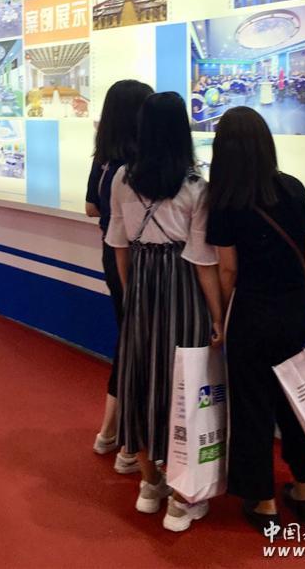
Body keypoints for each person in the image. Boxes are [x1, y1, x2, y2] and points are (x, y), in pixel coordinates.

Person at [106, 92, 222, 533]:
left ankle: (149, 483)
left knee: (139, 378)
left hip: (141, 285)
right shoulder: (195, 186)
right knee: (185, 384)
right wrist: (217, 315)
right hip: (183, 288)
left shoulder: (123, 177)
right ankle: (181, 498)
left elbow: (118, 244)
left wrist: (131, 292)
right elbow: (203, 260)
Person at [206, 106, 305, 532]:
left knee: (252, 407)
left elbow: (227, 270)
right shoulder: (292, 187)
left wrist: (222, 317)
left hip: (252, 312)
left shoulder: (225, 200)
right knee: (297, 402)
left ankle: (264, 502)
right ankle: (302, 489)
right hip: (294, 310)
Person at [85, 79, 153, 475]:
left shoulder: (105, 159)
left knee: (129, 340)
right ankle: (125, 439)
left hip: (113, 256)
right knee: (138, 345)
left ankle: (111, 431)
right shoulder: (144, 162)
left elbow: (91, 207)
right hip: (144, 260)